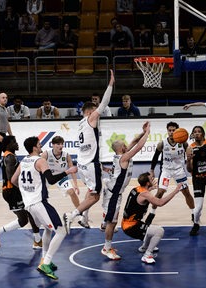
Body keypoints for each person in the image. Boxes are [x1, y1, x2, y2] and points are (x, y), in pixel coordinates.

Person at [11, 136, 77, 280]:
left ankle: (44, 259)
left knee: (48, 229)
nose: (41, 146)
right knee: (61, 231)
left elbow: (13, 180)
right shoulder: (40, 161)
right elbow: (51, 180)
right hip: (39, 203)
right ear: (35, 147)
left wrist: (26, 191)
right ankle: (46, 263)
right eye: (39, 144)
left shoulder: (23, 161)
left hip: (29, 205)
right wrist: (68, 171)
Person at [62, 70, 115, 234]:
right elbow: (104, 103)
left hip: (84, 164)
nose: (98, 113)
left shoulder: (81, 123)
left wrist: (101, 166)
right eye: (95, 111)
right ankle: (72, 215)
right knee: (95, 196)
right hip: (90, 165)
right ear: (90, 112)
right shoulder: (91, 118)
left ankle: (84, 218)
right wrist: (111, 85)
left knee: (90, 191)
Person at [100, 121, 151, 260]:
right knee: (112, 222)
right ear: (122, 148)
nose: (127, 145)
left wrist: (143, 131)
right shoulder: (123, 158)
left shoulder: (122, 155)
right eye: (124, 144)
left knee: (111, 220)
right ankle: (107, 248)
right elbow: (139, 146)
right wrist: (147, 133)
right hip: (114, 194)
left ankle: (105, 225)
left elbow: (135, 141)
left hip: (113, 191)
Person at [0, 136, 43, 250]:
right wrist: (24, 188)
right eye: (14, 142)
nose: (17, 144)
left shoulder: (10, 156)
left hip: (13, 191)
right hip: (12, 192)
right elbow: (12, 178)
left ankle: (37, 240)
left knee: (29, 215)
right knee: (25, 218)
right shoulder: (10, 158)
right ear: (8, 145)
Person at [122, 173, 182, 264]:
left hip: (127, 223)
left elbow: (140, 196)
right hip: (131, 227)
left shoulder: (136, 189)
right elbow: (160, 203)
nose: (153, 179)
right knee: (159, 231)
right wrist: (176, 191)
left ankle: (144, 247)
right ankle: (147, 255)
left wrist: (149, 189)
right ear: (147, 183)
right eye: (151, 179)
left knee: (150, 229)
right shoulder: (145, 194)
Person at [148, 121, 195, 226]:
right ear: (167, 131)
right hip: (166, 170)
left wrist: (190, 166)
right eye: (169, 130)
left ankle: (193, 213)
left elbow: (189, 157)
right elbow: (155, 157)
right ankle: (152, 214)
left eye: (173, 130)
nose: (171, 132)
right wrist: (152, 170)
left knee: (186, 192)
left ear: (177, 131)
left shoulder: (184, 143)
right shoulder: (162, 143)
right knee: (160, 192)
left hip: (179, 171)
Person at [41, 136, 89, 228]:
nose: (61, 146)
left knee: (72, 192)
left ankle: (79, 213)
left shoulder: (66, 155)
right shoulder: (46, 154)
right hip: (49, 177)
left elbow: (72, 170)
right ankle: (42, 216)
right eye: (58, 144)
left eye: (62, 144)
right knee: (41, 196)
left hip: (61, 177)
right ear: (53, 145)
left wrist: (75, 185)